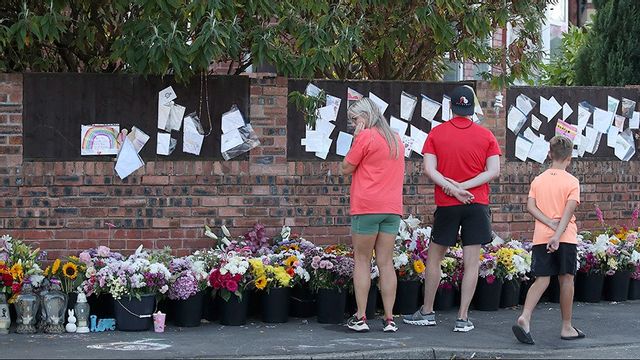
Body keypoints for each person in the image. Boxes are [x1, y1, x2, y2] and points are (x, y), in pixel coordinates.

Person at [403, 85, 501, 332]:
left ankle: (427, 311)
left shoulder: (436, 134)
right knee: (472, 262)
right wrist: (465, 187)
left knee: (434, 258)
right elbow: (493, 171)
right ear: (472, 108)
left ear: (451, 107)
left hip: (447, 203)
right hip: (476, 203)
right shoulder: (486, 136)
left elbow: (429, 169)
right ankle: (463, 317)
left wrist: (452, 187)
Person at [512, 135, 584, 345]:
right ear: (569, 158)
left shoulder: (538, 180)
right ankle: (566, 326)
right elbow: (568, 212)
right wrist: (557, 234)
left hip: (541, 237)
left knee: (541, 279)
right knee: (566, 279)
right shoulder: (572, 182)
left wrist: (549, 227)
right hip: (566, 237)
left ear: (550, 155)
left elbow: (531, 207)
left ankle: (525, 317)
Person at [341, 97, 405, 333]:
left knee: (362, 260)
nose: (353, 123)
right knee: (386, 262)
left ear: (365, 117)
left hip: (367, 207)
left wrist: (356, 139)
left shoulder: (365, 136)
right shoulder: (396, 139)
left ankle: (361, 317)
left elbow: (345, 167)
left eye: (355, 119)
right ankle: (389, 319)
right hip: (391, 209)